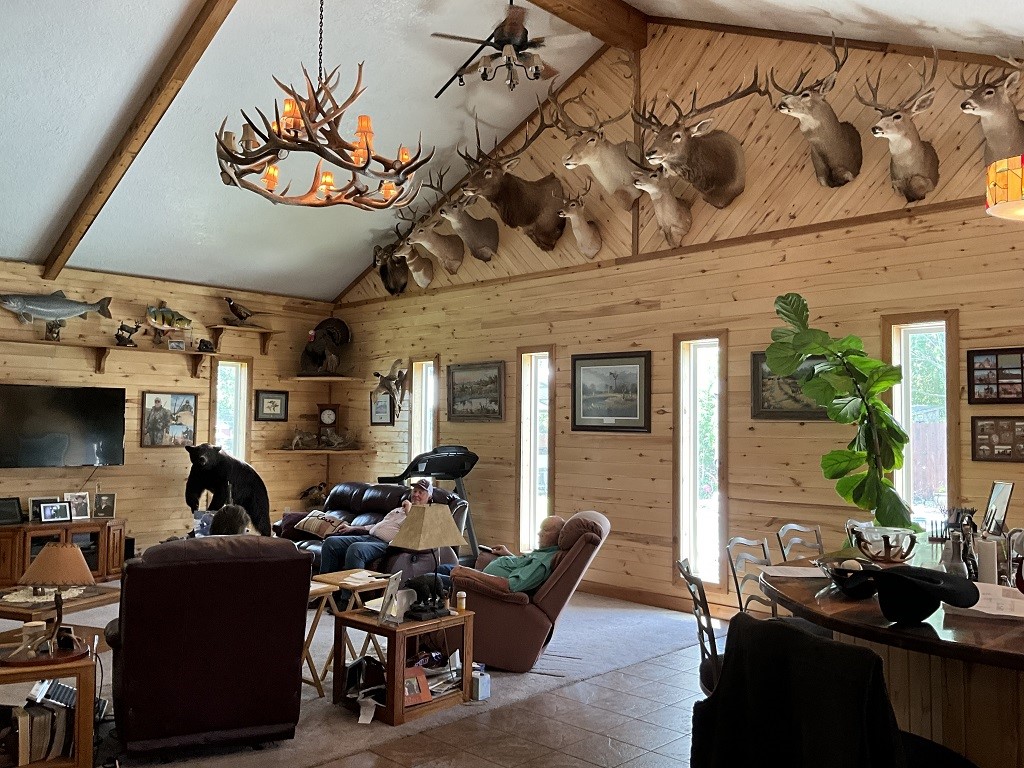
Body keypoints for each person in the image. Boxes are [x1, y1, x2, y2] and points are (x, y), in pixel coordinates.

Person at [319, 478, 433, 578]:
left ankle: (349, 598)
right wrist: (352, 528)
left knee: (356, 549)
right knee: (330, 543)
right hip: (369, 537)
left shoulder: (426, 514)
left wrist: (409, 510)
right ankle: (325, 591)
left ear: (429, 497)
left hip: (386, 546)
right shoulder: (398, 509)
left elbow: (416, 531)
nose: (416, 494)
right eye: (415, 491)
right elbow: (378, 525)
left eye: (421, 492)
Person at [438, 515, 566, 593]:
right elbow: (523, 567)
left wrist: (468, 572)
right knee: (441, 568)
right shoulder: (545, 552)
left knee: (430, 579)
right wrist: (508, 554)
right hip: (483, 574)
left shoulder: (542, 563)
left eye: (546, 530)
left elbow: (508, 586)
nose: (539, 533)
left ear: (559, 536)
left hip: (481, 587)